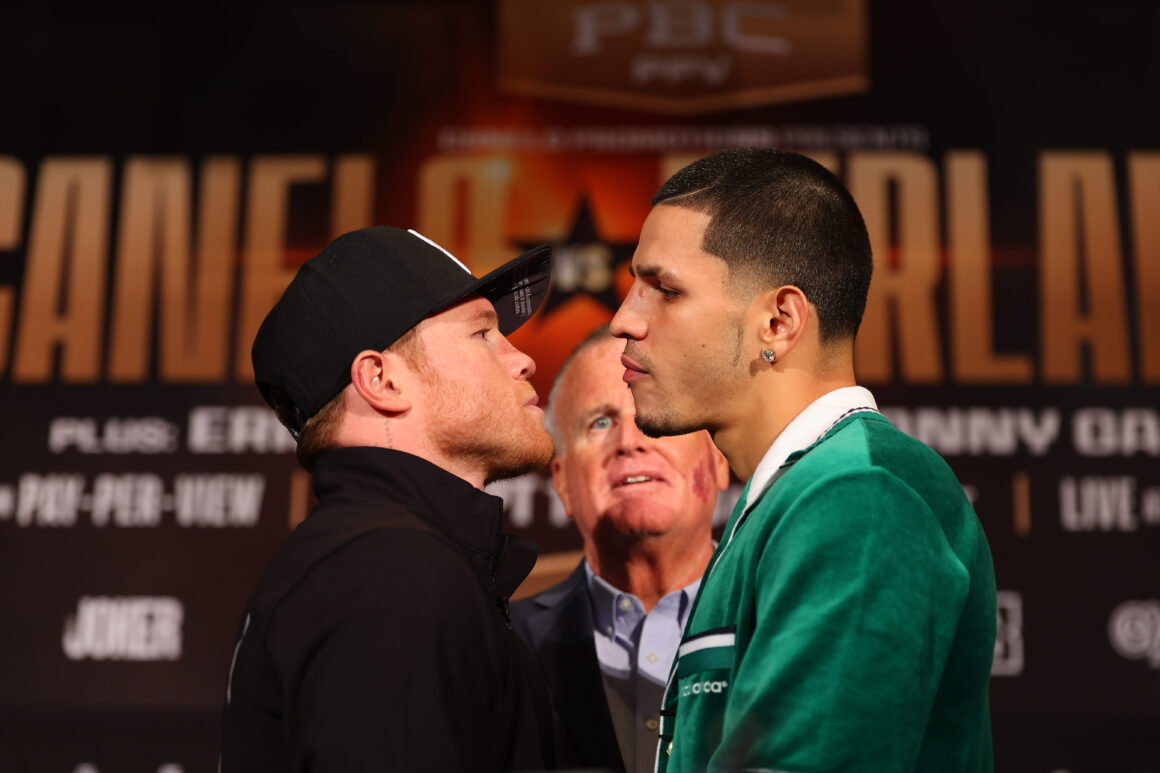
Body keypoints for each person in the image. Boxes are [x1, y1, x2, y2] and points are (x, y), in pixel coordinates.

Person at [609, 148, 997, 773]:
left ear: (779, 321)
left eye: (665, 290)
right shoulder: (799, 492)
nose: (623, 319)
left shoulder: (861, 494)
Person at [220, 226, 557, 772]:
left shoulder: (372, 558)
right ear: (382, 380)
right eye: (482, 334)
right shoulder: (389, 571)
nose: (522, 360)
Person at [511, 325, 730, 773]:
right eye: (601, 422)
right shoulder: (500, 646)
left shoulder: (784, 625)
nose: (629, 441)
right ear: (563, 483)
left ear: (718, 461)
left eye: (655, 414)